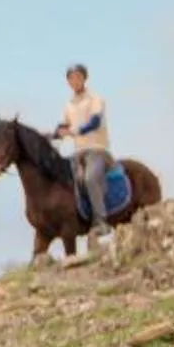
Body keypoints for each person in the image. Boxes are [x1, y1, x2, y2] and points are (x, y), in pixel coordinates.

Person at [55, 62, 114, 254]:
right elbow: (64, 125)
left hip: (97, 149)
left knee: (90, 178)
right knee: (72, 180)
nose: (75, 81)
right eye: (71, 78)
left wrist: (74, 130)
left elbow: (95, 122)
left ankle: (101, 221)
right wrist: (57, 132)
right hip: (78, 152)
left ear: (84, 78)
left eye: (78, 77)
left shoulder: (95, 99)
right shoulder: (68, 105)